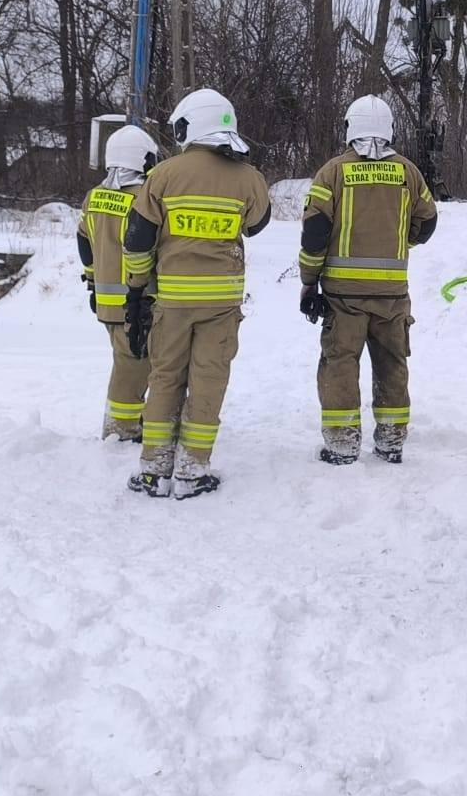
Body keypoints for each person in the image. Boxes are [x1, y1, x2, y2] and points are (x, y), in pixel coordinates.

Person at [122, 88, 270, 500]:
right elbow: (258, 224)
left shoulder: (163, 176)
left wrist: (137, 288)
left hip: (172, 303)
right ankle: (192, 469)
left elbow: (138, 241)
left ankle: (154, 470)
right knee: (208, 381)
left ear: (190, 126)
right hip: (221, 305)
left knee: (165, 377)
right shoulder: (249, 178)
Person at [298, 95, 438, 466]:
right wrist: (400, 240)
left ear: (350, 127)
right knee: (392, 363)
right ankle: (391, 440)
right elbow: (427, 221)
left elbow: (315, 232)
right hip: (392, 294)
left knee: (340, 363)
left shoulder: (333, 172)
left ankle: (342, 444)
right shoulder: (408, 172)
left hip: (343, 296)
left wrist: (309, 281)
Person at [78, 123, 159, 442]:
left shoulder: (94, 197)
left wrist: (91, 280)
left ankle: (132, 420)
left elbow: (84, 240)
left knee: (129, 360)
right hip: (137, 300)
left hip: (106, 300)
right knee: (133, 365)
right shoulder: (143, 199)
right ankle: (121, 429)